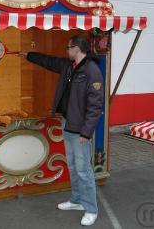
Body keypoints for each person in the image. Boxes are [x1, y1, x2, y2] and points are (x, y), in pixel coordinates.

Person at [19, 34, 104, 226]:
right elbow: (49, 61)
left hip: (80, 130)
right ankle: (76, 200)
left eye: (68, 48)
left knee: (83, 170)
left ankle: (91, 209)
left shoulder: (92, 71)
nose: (66, 51)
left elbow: (95, 106)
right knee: (73, 166)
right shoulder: (69, 66)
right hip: (67, 123)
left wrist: (86, 132)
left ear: (76, 48)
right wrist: (29, 55)